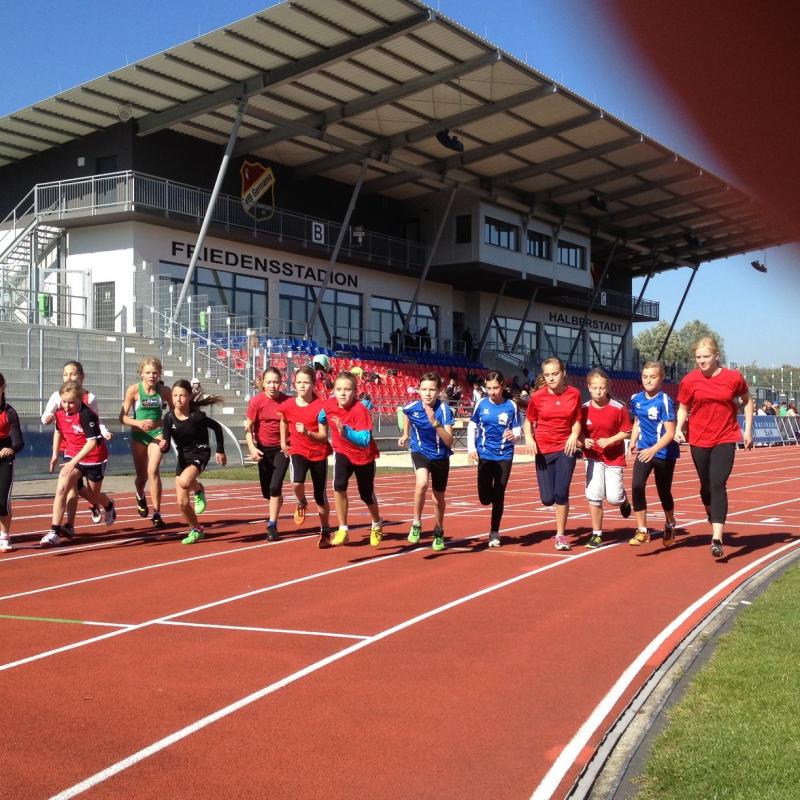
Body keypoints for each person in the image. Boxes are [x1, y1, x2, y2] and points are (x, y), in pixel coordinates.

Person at [675, 336, 753, 558]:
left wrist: (747, 429)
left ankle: (717, 538)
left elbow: (747, 400)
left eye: (706, 356)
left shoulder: (733, 378)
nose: (702, 361)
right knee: (706, 486)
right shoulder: (690, 380)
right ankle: (711, 511)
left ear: (717, 356)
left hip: (725, 437)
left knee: (718, 483)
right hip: (699, 439)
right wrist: (679, 427)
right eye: (698, 357)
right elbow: (683, 407)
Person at [42, 381, 116, 547]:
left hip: (94, 458)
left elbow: (92, 443)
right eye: (64, 401)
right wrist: (55, 455)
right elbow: (58, 431)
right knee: (62, 488)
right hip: (72, 454)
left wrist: (73, 462)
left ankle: (108, 504)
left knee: (94, 496)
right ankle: (54, 531)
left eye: (71, 402)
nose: (67, 406)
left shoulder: (87, 415)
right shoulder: (59, 414)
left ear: (79, 400)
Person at [523, 357, 582, 551]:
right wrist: (529, 438)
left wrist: (574, 435)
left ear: (563, 373)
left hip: (565, 449)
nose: (551, 378)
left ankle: (561, 535)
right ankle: (559, 529)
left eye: (555, 374)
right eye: (547, 375)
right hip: (543, 450)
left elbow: (577, 420)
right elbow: (528, 421)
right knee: (547, 499)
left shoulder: (574, 394)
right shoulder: (537, 397)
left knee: (561, 493)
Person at [159, 379, 226, 545]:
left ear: (189, 397)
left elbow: (217, 428)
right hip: (183, 457)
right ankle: (196, 529)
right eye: (175, 395)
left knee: (184, 481)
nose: (178, 399)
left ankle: (198, 489)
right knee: (182, 503)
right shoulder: (168, 418)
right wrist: (163, 445)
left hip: (200, 452)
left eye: (182, 395)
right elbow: (166, 444)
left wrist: (220, 450)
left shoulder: (197, 417)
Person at [320, 371, 382, 547]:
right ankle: (343, 529)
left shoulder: (360, 410)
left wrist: (344, 431)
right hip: (342, 452)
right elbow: (321, 416)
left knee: (366, 494)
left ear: (355, 392)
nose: (342, 393)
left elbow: (365, 440)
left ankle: (376, 523)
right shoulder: (329, 404)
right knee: (338, 485)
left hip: (363, 457)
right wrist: (320, 430)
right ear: (334, 391)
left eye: (347, 389)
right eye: (339, 389)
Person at [399, 371, 455, 551]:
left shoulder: (444, 410)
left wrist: (435, 423)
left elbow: (449, 441)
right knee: (421, 484)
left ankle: (438, 530)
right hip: (420, 451)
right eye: (424, 389)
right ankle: (416, 523)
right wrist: (405, 433)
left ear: (438, 391)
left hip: (440, 456)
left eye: (431, 390)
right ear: (419, 390)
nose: (427, 393)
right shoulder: (412, 407)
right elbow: (405, 413)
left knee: (438, 498)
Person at [278, 365, 332, 548]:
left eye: (306, 382)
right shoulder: (288, 405)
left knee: (320, 495)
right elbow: (283, 420)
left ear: (313, 384)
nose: (302, 385)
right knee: (296, 483)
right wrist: (283, 442)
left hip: (318, 453)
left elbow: (324, 436)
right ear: (294, 384)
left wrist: (308, 433)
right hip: (298, 450)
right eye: (298, 382)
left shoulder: (321, 406)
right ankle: (301, 502)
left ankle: (325, 530)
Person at [629, 361, 680, 547]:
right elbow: (637, 422)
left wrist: (654, 450)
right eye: (645, 377)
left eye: (653, 377)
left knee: (663, 491)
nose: (648, 380)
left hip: (664, 452)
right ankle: (642, 530)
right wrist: (633, 441)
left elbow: (670, 433)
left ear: (661, 378)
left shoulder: (664, 401)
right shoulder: (636, 399)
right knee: (636, 485)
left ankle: (670, 522)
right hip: (644, 449)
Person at [467, 370, 521, 547]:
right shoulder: (481, 404)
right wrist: (471, 449)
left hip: (504, 455)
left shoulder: (511, 406)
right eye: (489, 388)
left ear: (502, 386)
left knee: (499, 493)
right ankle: (489, 496)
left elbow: (518, 430)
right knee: (484, 498)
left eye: (495, 388)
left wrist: (514, 436)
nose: (492, 392)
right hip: (484, 454)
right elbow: (472, 426)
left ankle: (494, 531)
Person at [579, 368, 632, 548]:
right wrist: (583, 440)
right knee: (594, 495)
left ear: (608, 387)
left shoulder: (618, 408)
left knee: (613, 498)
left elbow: (627, 431)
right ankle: (597, 534)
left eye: (602, 388)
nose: (599, 392)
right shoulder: (583, 409)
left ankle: (623, 500)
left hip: (613, 457)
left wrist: (610, 440)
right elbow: (577, 432)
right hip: (593, 456)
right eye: (595, 388)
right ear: (589, 388)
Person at [120, 357, 173, 529]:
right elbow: (122, 417)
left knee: (153, 471)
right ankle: (140, 493)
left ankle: (157, 513)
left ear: (160, 374)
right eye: (148, 372)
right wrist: (138, 423)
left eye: (155, 373)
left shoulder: (164, 391)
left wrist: (165, 433)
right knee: (142, 478)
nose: (152, 376)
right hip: (139, 436)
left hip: (157, 435)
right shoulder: (134, 390)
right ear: (141, 373)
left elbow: (174, 415)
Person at [245, 367, 290, 541]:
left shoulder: (287, 401)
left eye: (276, 382)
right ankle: (276, 499)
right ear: (263, 383)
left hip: (282, 449)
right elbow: (248, 428)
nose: (272, 385)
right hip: (263, 449)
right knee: (267, 492)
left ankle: (272, 525)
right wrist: (251, 447)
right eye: (269, 382)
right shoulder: (256, 402)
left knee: (274, 487)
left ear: (281, 383)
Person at [0, 373, 24, 553]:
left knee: (2, 500)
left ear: (2, 388)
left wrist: (11, 449)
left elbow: (19, 442)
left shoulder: (9, 413)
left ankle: (4, 536)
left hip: (4, 459)